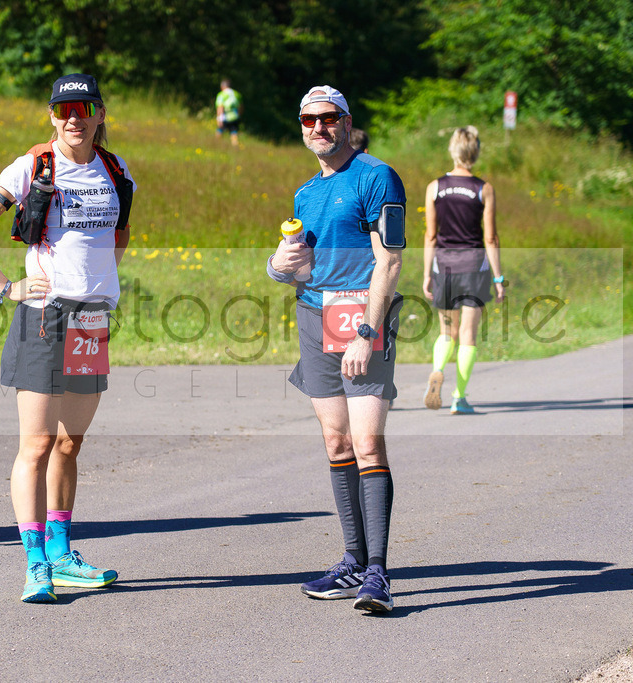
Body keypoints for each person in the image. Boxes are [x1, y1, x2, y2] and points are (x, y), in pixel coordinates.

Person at [0, 73, 136, 604]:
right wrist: (7, 286)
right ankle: (35, 563)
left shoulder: (116, 169)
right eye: (63, 110)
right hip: (43, 316)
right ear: (51, 116)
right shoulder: (33, 165)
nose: (72, 118)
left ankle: (61, 552)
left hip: (90, 320)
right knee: (35, 445)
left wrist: (100, 285)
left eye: (83, 108)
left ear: (100, 113)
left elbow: (119, 231)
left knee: (69, 443)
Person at [267, 86, 405, 613]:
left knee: (368, 442)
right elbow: (302, 268)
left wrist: (367, 332)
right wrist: (281, 264)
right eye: (309, 119)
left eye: (329, 118)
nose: (318, 128)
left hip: (364, 320)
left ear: (347, 123)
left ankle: (378, 574)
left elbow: (388, 261)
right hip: (314, 317)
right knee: (335, 440)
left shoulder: (376, 176)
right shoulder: (305, 194)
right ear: (301, 126)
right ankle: (352, 559)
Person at [422, 126, 504, 414]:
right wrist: (499, 278)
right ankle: (459, 396)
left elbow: (431, 235)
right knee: (468, 335)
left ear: (452, 151)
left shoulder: (435, 187)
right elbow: (490, 238)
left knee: (447, 332)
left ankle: (437, 369)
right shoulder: (484, 189)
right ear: (476, 152)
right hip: (473, 268)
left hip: (443, 266)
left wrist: (425, 275)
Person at [215, 79, 243, 147]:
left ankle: (216, 144)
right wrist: (239, 115)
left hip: (225, 116)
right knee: (234, 131)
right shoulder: (237, 94)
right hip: (234, 116)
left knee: (220, 129)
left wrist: (219, 118)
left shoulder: (222, 94)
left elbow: (220, 107)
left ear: (222, 86)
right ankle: (235, 145)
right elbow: (241, 107)